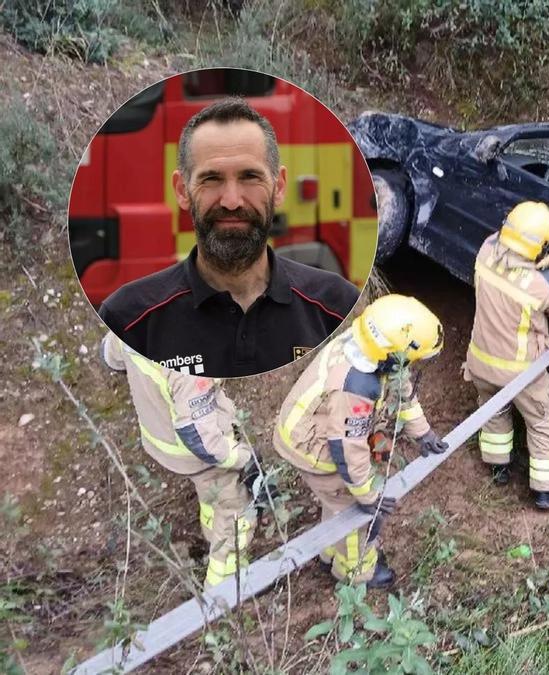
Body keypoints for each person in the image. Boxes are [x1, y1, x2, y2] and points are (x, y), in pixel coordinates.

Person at [97, 97, 359, 378]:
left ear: (279, 187)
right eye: (211, 179)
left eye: (250, 177)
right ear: (182, 191)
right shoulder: (128, 319)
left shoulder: (338, 308)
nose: (232, 201)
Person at [273, 294, 447, 588]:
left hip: (318, 429)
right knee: (354, 511)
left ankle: (329, 552)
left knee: (337, 500)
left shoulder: (370, 346)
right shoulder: (356, 385)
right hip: (313, 448)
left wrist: (423, 432)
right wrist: (368, 497)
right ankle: (356, 572)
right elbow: (347, 451)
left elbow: (401, 385)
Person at [465, 201, 549, 510]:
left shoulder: (486, 251)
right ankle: (547, 491)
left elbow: (523, 242)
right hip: (520, 373)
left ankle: (498, 468)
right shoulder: (535, 287)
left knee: (493, 411)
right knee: (543, 423)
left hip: (481, 361)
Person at [100, 331, 257, 589]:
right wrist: (243, 458)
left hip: (161, 439)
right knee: (234, 512)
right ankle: (226, 588)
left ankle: (210, 532)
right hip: (197, 455)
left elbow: (108, 356)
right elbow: (201, 440)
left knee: (211, 495)